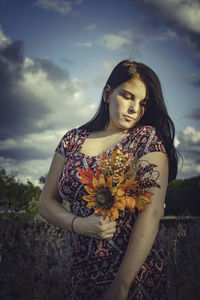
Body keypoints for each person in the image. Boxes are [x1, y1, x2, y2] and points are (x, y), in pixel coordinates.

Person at [38, 60, 178, 299]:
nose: (135, 108)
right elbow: (45, 203)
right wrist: (79, 224)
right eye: (127, 96)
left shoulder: (146, 139)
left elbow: (152, 213)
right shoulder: (72, 140)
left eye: (143, 103)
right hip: (81, 273)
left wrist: (122, 284)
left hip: (134, 274)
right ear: (107, 93)